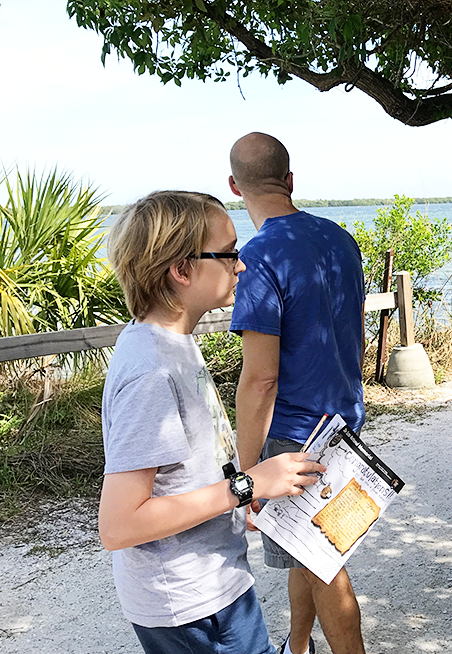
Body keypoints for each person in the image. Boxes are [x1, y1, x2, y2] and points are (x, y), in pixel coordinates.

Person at [99, 191, 325, 654]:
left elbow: (181, 473)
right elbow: (119, 525)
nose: (241, 266)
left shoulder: (172, 343)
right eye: (229, 254)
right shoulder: (150, 370)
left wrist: (243, 501)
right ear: (181, 270)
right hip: (190, 607)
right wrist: (245, 487)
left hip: (216, 585)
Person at [229, 133, 367, 654]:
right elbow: (352, 332)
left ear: (233, 187)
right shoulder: (339, 238)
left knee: (322, 556)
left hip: (292, 433)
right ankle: (299, 645)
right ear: (290, 180)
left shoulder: (257, 258)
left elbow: (259, 378)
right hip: (344, 421)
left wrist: (246, 476)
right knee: (302, 549)